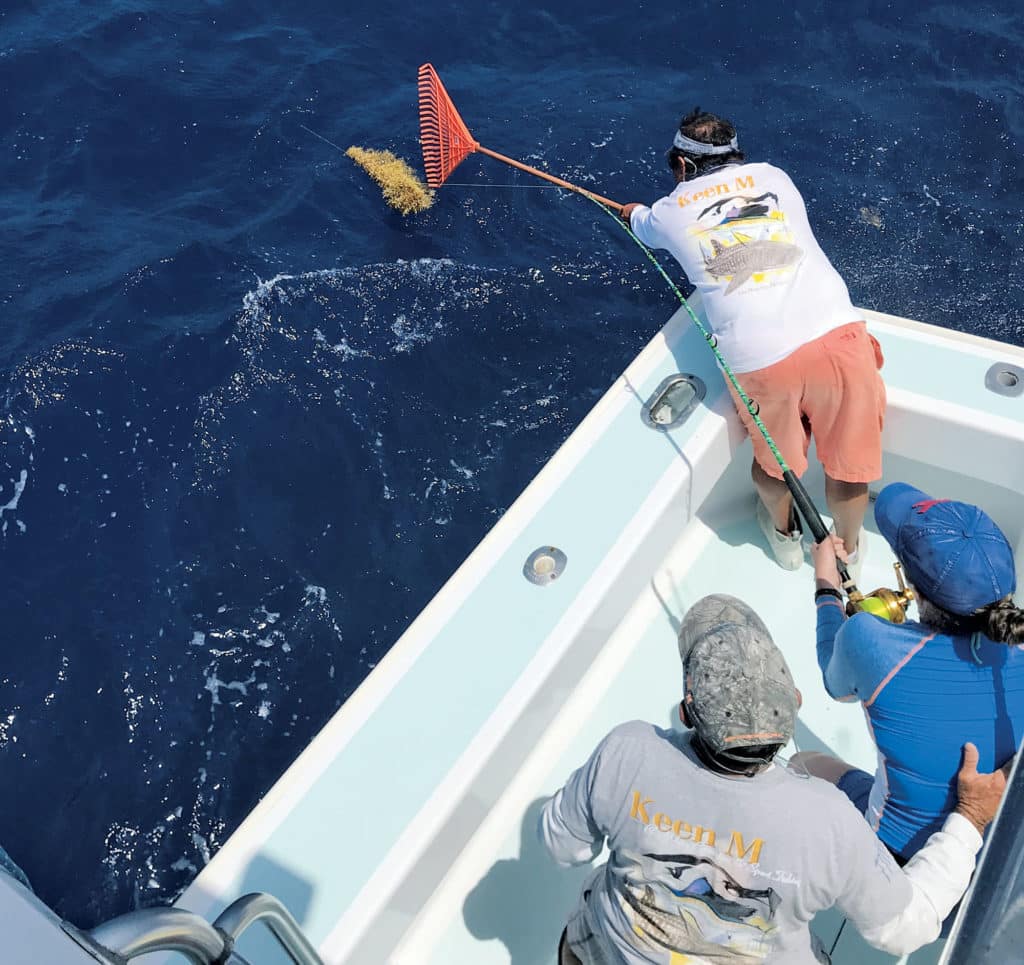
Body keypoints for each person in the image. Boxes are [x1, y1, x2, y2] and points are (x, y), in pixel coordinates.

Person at [539, 594, 1006, 964]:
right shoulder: (829, 821)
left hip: (599, 951)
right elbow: (908, 927)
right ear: (795, 701)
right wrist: (968, 817)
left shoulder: (628, 750)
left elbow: (565, 847)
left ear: (686, 713)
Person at [620, 109, 885, 573]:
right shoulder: (774, 177)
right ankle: (850, 552)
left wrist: (631, 213)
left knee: (775, 467)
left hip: (762, 361)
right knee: (848, 468)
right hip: (839, 337)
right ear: (737, 155)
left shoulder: (668, 211)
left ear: (682, 167)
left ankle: (785, 542)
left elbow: (642, 222)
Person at [798, 481, 1024, 864]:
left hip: (896, 849)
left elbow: (836, 688)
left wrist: (826, 588)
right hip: (992, 848)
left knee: (803, 764)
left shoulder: (868, 639)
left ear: (912, 589)